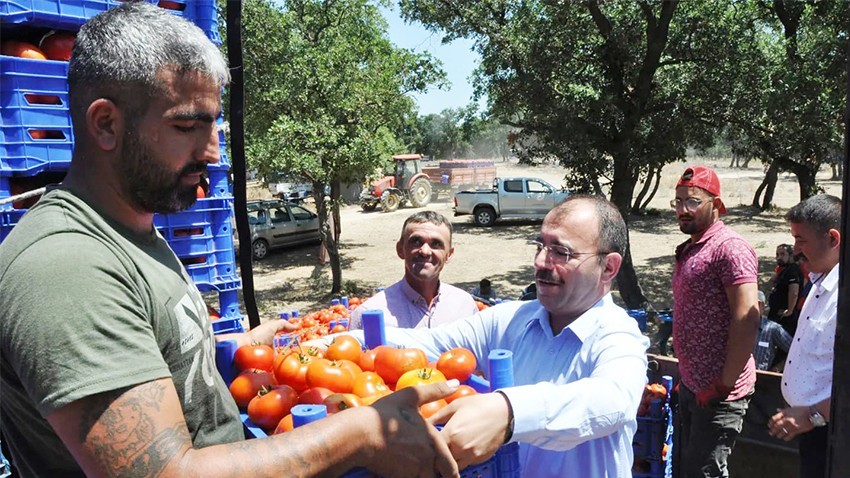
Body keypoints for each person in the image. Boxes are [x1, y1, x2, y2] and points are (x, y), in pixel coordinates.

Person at [0, 4, 459, 478]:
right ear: (106, 125)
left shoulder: (131, 229)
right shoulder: (67, 267)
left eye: (213, 123)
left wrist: (237, 344)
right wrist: (361, 433)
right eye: (186, 126)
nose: (213, 151)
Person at [338, 195, 650, 476]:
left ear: (608, 268)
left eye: (561, 252)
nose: (541, 262)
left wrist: (508, 411)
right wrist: (338, 343)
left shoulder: (618, 334)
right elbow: (427, 344)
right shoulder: (512, 319)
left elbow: (612, 400)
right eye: (540, 246)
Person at [670, 166, 760, 478]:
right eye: (678, 201)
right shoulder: (694, 246)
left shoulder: (730, 249)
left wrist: (720, 385)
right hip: (694, 386)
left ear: (716, 204)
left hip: (720, 394)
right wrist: (689, 374)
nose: (683, 210)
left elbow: (747, 319)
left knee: (704, 474)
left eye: (692, 201)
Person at [768, 194, 841, 478]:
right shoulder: (821, 280)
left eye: (802, 240)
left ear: (833, 239)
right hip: (813, 430)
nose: (796, 250)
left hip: (832, 435)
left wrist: (814, 414)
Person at [350, 211, 478, 329]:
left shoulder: (465, 307)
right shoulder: (368, 315)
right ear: (400, 250)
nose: (425, 251)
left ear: (449, 255)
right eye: (416, 242)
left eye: (436, 244)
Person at [767, 243, 802, 336]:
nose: (779, 257)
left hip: (784, 316)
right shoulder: (783, 270)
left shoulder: (792, 270)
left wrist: (789, 310)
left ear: (791, 256)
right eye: (777, 255)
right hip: (776, 312)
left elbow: (794, 291)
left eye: (783, 254)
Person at [753, 291, 792, 372]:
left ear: (762, 306)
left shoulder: (772, 329)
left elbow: (795, 350)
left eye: (755, 304)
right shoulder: (736, 328)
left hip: (761, 379)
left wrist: (778, 368)